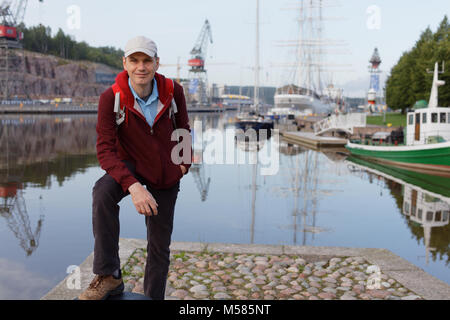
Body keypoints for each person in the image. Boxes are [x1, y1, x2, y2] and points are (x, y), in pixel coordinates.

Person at [78, 36, 192, 300]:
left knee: (159, 245)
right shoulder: (112, 98)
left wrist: (183, 166)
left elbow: (183, 129)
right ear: (125, 63)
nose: (141, 67)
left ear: (156, 63)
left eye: (146, 60)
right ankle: (109, 276)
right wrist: (133, 185)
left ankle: (153, 297)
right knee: (103, 192)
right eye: (134, 60)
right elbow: (105, 150)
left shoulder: (174, 91)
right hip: (131, 163)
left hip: (165, 169)